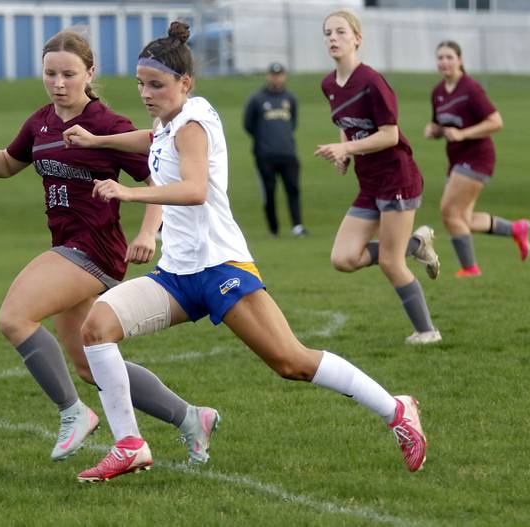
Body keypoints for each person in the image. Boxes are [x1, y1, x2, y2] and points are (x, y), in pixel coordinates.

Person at [62, 21, 428, 482]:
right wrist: (99, 140)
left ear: (184, 83)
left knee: (290, 361)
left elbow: (195, 189)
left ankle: (397, 410)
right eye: (140, 84)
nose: (147, 94)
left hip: (220, 268)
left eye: (156, 85)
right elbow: (152, 139)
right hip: (176, 275)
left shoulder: (192, 123)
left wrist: (127, 194)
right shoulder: (169, 119)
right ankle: (130, 445)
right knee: (97, 328)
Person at [0, 29, 218, 464]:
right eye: (50, 73)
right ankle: (190, 417)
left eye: (69, 74)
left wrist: (149, 232)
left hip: (94, 249)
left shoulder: (107, 127)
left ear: (90, 73)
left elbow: (159, 179)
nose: (59, 83)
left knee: (15, 317)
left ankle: (73, 411)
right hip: (69, 248)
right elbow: (8, 163)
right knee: (89, 364)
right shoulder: (40, 121)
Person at [314, 11, 442, 345]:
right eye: (327, 33)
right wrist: (345, 152)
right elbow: (345, 125)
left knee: (390, 261)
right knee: (343, 259)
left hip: (398, 178)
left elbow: (389, 135)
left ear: (357, 38)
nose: (332, 38)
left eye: (341, 32)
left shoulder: (373, 82)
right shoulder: (329, 84)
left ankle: (427, 331)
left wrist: (348, 149)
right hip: (369, 183)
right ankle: (418, 243)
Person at [424, 40, 530, 277]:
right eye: (440, 57)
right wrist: (434, 130)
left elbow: (496, 122)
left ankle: (470, 269)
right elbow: (441, 124)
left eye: (449, 57)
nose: (444, 62)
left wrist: (463, 133)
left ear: (460, 60)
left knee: (449, 213)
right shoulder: (438, 92)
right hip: (456, 159)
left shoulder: (470, 88)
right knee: (464, 219)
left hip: (477, 157)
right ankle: (516, 228)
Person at [243, 62, 307, 237]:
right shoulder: (257, 99)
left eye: (279, 75)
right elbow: (248, 124)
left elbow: (293, 122)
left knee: (293, 189)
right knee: (269, 192)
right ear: (268, 76)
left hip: (288, 153)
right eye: (273, 74)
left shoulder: (289, 98)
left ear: (284, 76)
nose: (276, 78)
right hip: (265, 155)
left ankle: (297, 226)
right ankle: (273, 229)